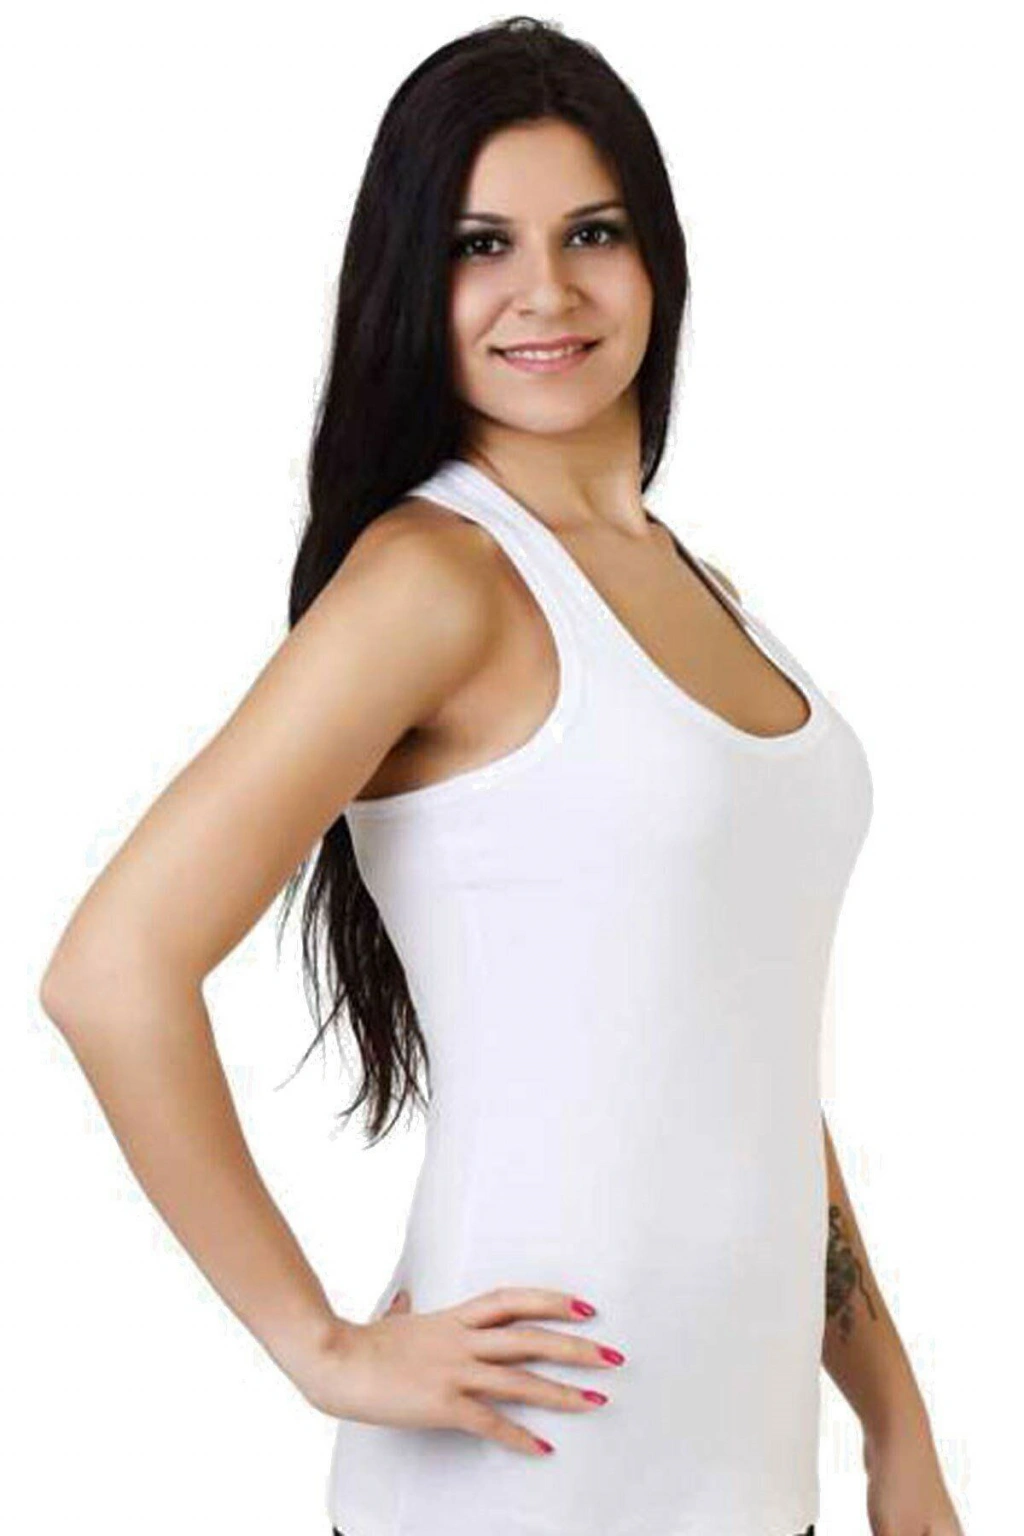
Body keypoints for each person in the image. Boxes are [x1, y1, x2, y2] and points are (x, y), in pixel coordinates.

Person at [39, 15, 964, 1536]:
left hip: (746, 1479)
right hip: (523, 1477)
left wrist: (893, 1421)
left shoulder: (704, 588)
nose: (547, 290)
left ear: (657, 257)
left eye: (593, 232)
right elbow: (110, 971)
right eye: (481, 245)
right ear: (414, 282)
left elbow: (745, 1070)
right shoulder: (437, 578)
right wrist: (321, 1348)